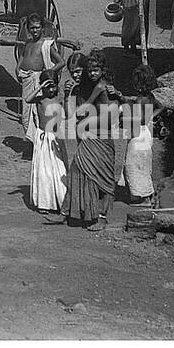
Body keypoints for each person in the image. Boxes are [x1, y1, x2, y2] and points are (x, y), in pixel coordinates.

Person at [62, 50, 121, 231]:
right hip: (88, 135)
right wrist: (67, 96)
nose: (89, 74)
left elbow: (111, 117)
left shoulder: (105, 88)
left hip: (101, 137)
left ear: (103, 70)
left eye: (94, 70)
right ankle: (83, 211)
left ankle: (101, 217)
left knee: (99, 177)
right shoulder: (85, 88)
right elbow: (72, 113)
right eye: (88, 71)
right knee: (81, 172)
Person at [15, 14, 79, 144]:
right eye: (32, 28)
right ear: (28, 29)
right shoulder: (28, 43)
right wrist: (18, 68)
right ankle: (32, 142)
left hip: (38, 82)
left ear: (42, 28)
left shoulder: (46, 45)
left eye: (37, 28)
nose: (34, 30)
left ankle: (39, 143)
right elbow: (23, 55)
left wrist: (47, 75)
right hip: (27, 80)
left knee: (37, 113)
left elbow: (61, 62)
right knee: (26, 113)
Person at [27, 71, 68, 218]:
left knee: (59, 169)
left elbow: (68, 113)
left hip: (56, 137)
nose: (51, 90)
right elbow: (27, 99)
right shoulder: (40, 99)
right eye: (48, 87)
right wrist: (40, 87)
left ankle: (60, 201)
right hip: (43, 137)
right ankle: (45, 203)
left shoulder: (60, 99)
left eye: (53, 86)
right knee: (44, 170)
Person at [121, 64, 159, 202]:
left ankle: (139, 196)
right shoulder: (150, 97)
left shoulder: (140, 100)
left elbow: (138, 119)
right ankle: (147, 192)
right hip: (146, 134)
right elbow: (160, 107)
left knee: (132, 163)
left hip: (138, 136)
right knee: (143, 163)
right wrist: (150, 117)